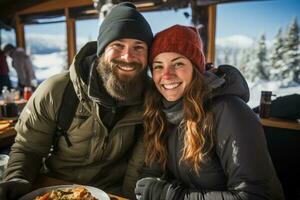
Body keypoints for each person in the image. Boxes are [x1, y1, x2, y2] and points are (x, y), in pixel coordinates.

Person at [0, 2, 152, 200]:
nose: (127, 56)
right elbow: (29, 147)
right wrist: (17, 179)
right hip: (57, 189)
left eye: (138, 47)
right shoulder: (57, 90)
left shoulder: (150, 98)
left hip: (112, 193)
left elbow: (139, 164)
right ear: (101, 50)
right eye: (118, 45)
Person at [135, 25, 285, 200]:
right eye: (158, 66)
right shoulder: (159, 111)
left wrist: (172, 196)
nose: (167, 75)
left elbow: (255, 195)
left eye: (178, 64)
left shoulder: (229, 110)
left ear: (196, 69)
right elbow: (151, 172)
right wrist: (146, 186)